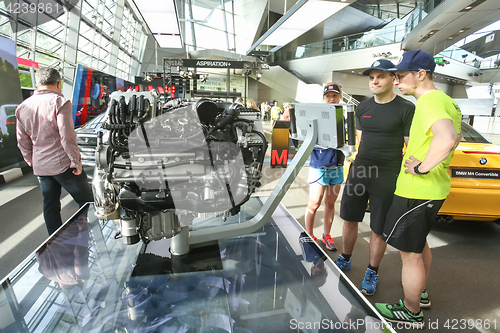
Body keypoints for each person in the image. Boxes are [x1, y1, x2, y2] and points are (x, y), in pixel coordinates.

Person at [374, 49, 462, 328]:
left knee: (409, 254)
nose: (396, 81)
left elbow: (448, 138)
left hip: (417, 191)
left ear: (420, 74)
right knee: (419, 243)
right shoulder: (449, 102)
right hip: (433, 190)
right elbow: (457, 136)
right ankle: (420, 293)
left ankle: (411, 311)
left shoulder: (428, 102)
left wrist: (422, 167)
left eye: (400, 76)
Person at [336, 60, 415, 297]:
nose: (375, 81)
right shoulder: (362, 108)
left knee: (378, 228)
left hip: (388, 173)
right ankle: (346, 257)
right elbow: (362, 138)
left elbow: (410, 145)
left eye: (380, 77)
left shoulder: (406, 108)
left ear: (393, 79)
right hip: (361, 170)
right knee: (349, 218)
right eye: (371, 78)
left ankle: (372, 270)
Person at [16, 67, 94, 235]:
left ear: (36, 84)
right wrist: (76, 162)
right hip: (64, 165)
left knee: (50, 206)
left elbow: (22, 141)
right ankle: (91, 237)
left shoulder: (22, 107)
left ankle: (56, 243)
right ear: (59, 84)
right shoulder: (60, 102)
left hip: (41, 166)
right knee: (88, 202)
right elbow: (67, 136)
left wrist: (32, 161)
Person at [305, 82, 345, 251]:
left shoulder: (345, 116)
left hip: (337, 167)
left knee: (330, 204)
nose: (331, 99)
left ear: (339, 97)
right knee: (314, 203)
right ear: (324, 97)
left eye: (334, 96)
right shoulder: (316, 116)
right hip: (319, 166)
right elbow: (304, 137)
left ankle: (326, 235)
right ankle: (308, 235)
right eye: (328, 96)